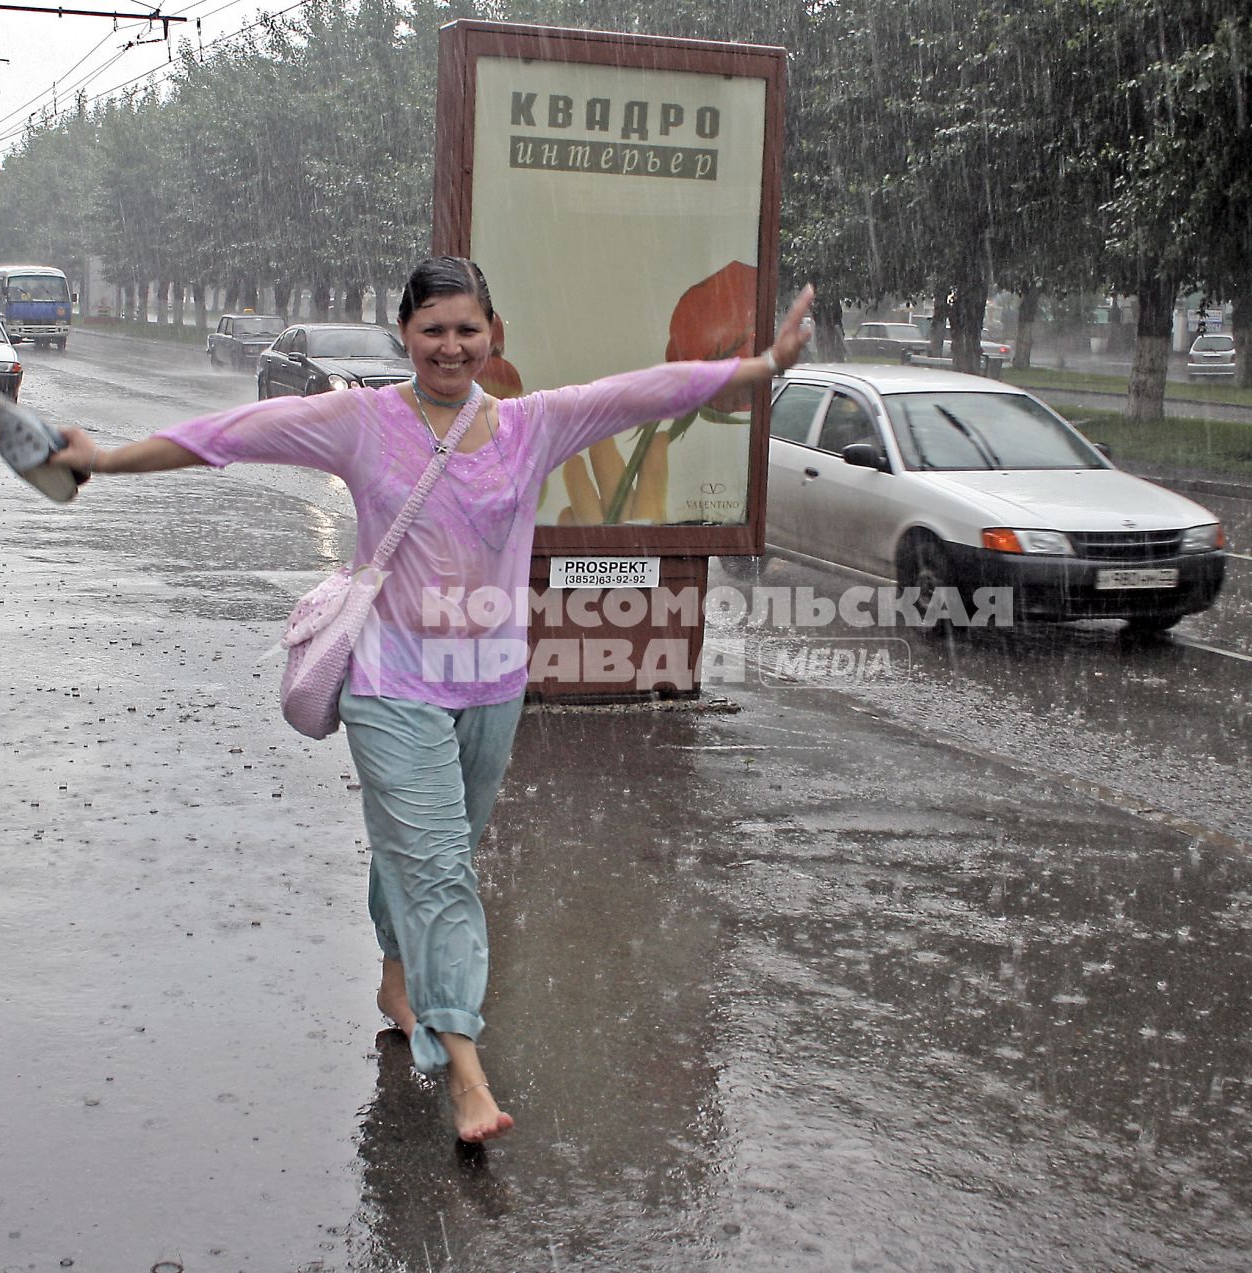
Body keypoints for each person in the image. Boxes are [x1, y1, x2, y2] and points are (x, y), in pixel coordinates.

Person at [47, 256, 815, 1144]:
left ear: (494, 337)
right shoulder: (360, 421)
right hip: (388, 681)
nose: (450, 347)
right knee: (443, 870)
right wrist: (104, 459)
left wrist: (759, 368)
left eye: (466, 330)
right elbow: (232, 433)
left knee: (430, 848)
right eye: (432, 330)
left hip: (492, 684)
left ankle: (394, 975)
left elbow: (648, 390)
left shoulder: (532, 426)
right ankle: (465, 1072)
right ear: (404, 336)